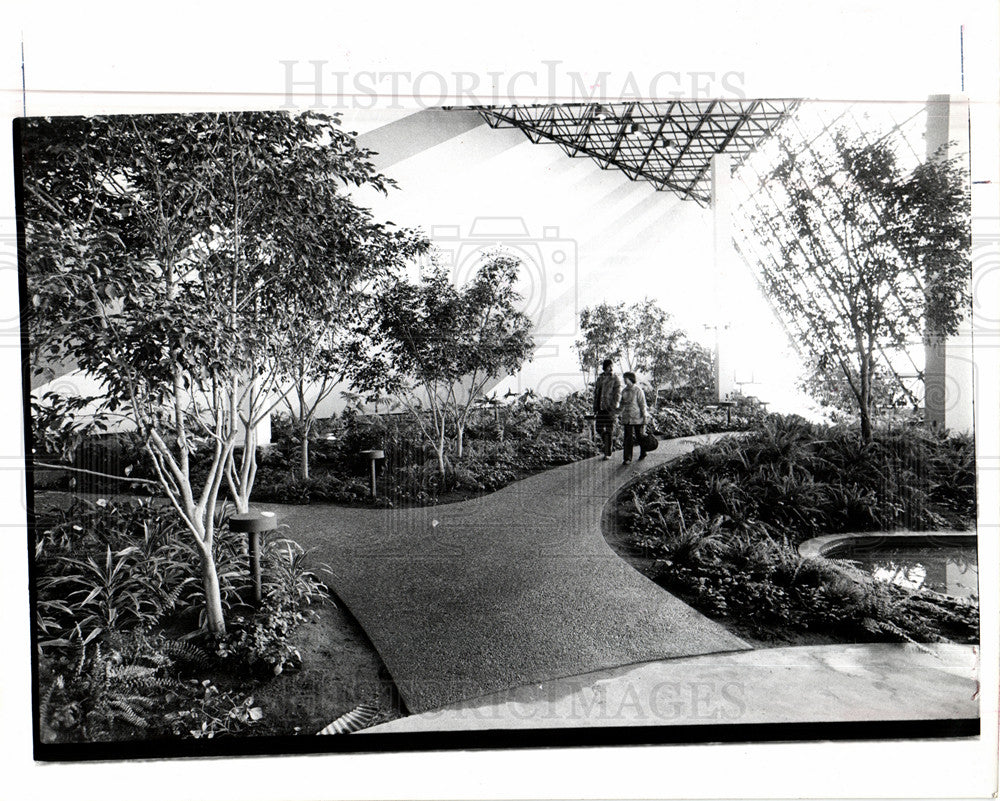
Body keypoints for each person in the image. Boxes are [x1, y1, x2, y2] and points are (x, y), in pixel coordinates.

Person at [593, 359, 621, 460]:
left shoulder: (615, 378)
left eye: (612, 366)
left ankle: (607, 453)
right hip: (600, 408)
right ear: (605, 367)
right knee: (599, 428)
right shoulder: (600, 378)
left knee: (609, 430)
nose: (611, 368)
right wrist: (595, 407)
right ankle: (607, 443)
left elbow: (617, 394)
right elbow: (596, 393)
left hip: (609, 408)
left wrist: (613, 407)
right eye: (609, 366)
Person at [619, 371, 648, 464]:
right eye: (624, 378)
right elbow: (622, 404)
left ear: (630, 379)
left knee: (640, 436)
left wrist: (644, 416)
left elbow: (642, 404)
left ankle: (643, 452)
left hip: (637, 417)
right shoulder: (624, 391)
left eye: (625, 378)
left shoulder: (638, 390)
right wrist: (617, 412)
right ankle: (627, 458)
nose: (624, 380)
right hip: (627, 418)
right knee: (628, 438)